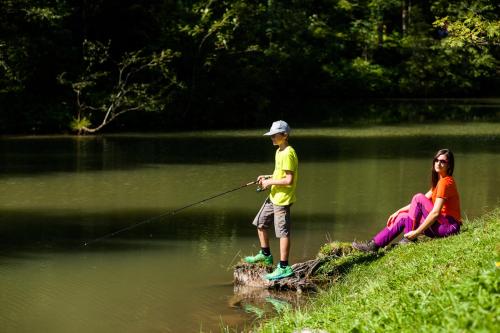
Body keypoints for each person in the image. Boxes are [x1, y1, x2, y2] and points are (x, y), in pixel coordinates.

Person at [352, 149, 461, 252]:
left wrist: (416, 233)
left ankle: (409, 239)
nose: (438, 163)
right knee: (403, 217)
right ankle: (373, 245)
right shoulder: (440, 182)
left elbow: (435, 213)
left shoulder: (445, 183)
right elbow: (417, 204)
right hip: (441, 225)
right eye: (436, 160)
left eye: (442, 161)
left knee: (418, 197)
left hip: (448, 227)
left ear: (449, 165)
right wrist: (398, 211)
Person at [244, 120, 299, 280]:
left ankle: (284, 267)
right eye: (271, 135)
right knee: (260, 222)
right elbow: (280, 174)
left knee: (283, 233)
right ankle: (266, 254)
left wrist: (269, 182)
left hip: (282, 200)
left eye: (275, 135)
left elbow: (288, 180)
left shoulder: (288, 153)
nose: (272, 138)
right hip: (274, 196)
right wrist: (267, 177)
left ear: (285, 135)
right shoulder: (279, 151)